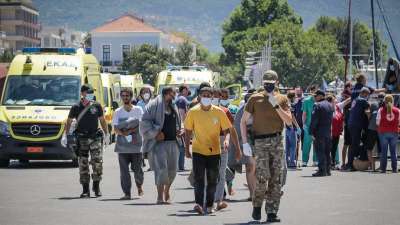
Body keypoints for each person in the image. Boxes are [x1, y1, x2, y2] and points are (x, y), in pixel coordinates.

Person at [240, 70, 293, 222]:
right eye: (266, 83)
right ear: (263, 83)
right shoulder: (254, 99)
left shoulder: (282, 99)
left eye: (271, 83)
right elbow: (244, 121)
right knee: (262, 177)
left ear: (277, 82)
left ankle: (271, 212)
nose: (269, 85)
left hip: (277, 141)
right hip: (260, 142)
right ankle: (257, 207)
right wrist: (245, 142)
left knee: (276, 179)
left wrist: (276, 105)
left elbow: (289, 121)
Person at [184, 87, 241, 215]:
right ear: (199, 97)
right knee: (199, 178)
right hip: (198, 150)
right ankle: (198, 204)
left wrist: (228, 141)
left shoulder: (219, 112)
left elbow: (228, 129)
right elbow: (188, 131)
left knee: (212, 179)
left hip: (215, 151)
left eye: (208, 95)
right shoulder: (193, 112)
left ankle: (210, 205)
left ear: (212, 97)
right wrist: (187, 148)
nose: (206, 97)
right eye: (203, 95)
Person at [62, 85, 110, 198]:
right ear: (82, 93)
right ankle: (85, 190)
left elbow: (102, 120)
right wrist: (65, 135)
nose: (90, 94)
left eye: (92, 92)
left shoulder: (96, 105)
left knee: (97, 162)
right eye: (88, 92)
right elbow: (68, 122)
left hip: (95, 137)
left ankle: (97, 187)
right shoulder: (76, 107)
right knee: (83, 164)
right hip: (81, 138)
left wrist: (107, 134)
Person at [140, 86, 182, 204]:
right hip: (159, 144)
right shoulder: (153, 105)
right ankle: (160, 196)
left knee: (172, 171)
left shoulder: (174, 105)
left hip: (173, 142)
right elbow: (144, 122)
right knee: (161, 170)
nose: (176, 94)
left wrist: (179, 130)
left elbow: (178, 122)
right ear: (168, 93)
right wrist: (155, 133)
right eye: (174, 92)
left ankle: (167, 191)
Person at [113, 88, 144, 200]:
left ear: (131, 97)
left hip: (136, 147)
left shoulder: (138, 110)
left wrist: (129, 131)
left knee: (138, 170)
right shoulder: (117, 112)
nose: (125, 97)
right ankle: (127, 193)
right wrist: (123, 133)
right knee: (124, 172)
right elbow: (115, 129)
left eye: (127, 95)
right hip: (122, 147)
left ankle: (139, 185)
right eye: (123, 96)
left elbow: (142, 124)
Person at [230, 90, 256, 201]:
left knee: (260, 168)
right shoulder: (241, 111)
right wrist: (239, 147)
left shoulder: (261, 110)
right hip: (246, 142)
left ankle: (261, 191)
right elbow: (236, 130)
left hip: (261, 141)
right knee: (250, 167)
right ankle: (252, 194)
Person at [212, 88, 235, 211]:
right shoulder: (198, 111)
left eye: (217, 96)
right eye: (212, 96)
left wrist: (236, 146)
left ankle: (219, 200)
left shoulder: (225, 111)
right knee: (207, 173)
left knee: (221, 173)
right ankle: (206, 199)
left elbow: (231, 130)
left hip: (221, 142)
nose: (215, 98)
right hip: (205, 143)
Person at [310, 90, 334, 177]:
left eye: (315, 96)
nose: (314, 97)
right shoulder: (330, 105)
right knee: (327, 152)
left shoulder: (317, 105)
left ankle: (322, 170)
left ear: (320, 96)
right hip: (328, 131)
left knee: (320, 151)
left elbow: (314, 121)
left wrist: (311, 132)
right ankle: (328, 170)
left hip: (319, 132)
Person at [346, 87, 371, 171]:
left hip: (351, 124)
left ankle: (350, 163)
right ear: (364, 94)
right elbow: (369, 109)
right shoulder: (362, 100)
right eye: (367, 95)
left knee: (353, 144)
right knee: (355, 144)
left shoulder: (355, 100)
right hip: (356, 125)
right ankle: (350, 164)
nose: (367, 96)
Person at [376, 94, 399, 173]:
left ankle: (383, 169)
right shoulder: (397, 110)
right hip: (394, 132)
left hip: (383, 132)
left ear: (384, 101)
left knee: (384, 151)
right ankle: (394, 169)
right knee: (393, 151)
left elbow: (377, 122)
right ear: (392, 101)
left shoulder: (380, 110)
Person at [327, 95, 350, 170]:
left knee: (334, 148)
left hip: (337, 132)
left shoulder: (337, 106)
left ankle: (332, 163)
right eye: (334, 100)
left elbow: (347, 101)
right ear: (330, 102)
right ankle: (327, 163)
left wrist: (355, 93)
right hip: (329, 132)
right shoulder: (327, 108)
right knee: (328, 148)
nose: (336, 101)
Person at [364, 94, 384, 171]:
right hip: (381, 129)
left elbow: (369, 114)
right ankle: (382, 166)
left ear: (377, 98)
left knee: (369, 148)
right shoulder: (386, 105)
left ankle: (372, 166)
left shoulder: (374, 104)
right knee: (381, 149)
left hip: (372, 128)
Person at [302, 85, 318, 167]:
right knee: (306, 144)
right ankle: (304, 161)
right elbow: (304, 114)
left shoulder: (319, 100)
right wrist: (304, 124)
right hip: (308, 125)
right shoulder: (306, 100)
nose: (315, 93)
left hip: (317, 126)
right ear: (311, 91)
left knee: (316, 143)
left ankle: (315, 161)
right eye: (314, 91)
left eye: (316, 91)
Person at [176, 85, 190, 171]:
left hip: (179, 125)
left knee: (181, 146)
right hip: (181, 125)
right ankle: (180, 166)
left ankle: (180, 165)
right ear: (184, 90)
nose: (188, 91)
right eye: (187, 89)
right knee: (181, 146)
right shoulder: (182, 99)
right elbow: (181, 114)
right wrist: (184, 126)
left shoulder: (179, 98)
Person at [286, 91, 301, 168]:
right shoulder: (291, 105)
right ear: (292, 97)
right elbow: (292, 117)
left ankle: (287, 161)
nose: (296, 98)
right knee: (293, 146)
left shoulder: (285, 104)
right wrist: (298, 126)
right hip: (292, 128)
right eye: (295, 97)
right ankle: (292, 162)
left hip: (286, 128)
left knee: (287, 146)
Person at [341, 82, 352, 169]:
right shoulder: (346, 95)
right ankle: (344, 162)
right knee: (347, 144)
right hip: (348, 122)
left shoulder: (347, 95)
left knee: (348, 144)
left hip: (348, 122)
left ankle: (348, 162)